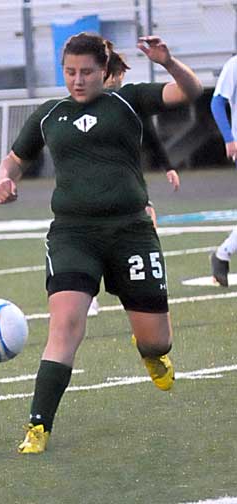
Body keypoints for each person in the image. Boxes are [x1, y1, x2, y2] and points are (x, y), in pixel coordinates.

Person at [0, 33, 202, 454]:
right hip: (74, 234)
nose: (77, 80)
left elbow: (190, 91)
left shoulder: (127, 101)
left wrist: (168, 61)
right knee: (66, 324)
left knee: (156, 341)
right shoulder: (49, 114)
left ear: (104, 70)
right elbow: (15, 160)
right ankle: (38, 425)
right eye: (70, 72)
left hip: (131, 232)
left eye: (86, 71)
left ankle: (149, 352)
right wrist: (4, 179)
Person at [86, 45, 182, 317]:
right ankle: (90, 292)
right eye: (117, 76)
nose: (120, 82)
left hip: (126, 185)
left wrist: (168, 166)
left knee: (145, 223)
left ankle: (143, 288)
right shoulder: (88, 107)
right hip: (96, 188)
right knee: (96, 237)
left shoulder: (126, 103)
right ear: (108, 75)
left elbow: (148, 132)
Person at [210, 54, 237, 287]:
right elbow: (217, 102)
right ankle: (222, 254)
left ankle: (222, 254)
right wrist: (229, 139)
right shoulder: (234, 65)